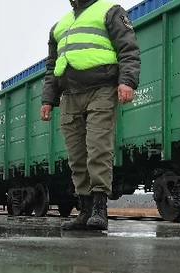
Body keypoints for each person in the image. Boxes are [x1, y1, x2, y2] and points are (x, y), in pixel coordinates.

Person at [41, 0, 141, 232]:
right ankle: (84, 210)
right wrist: (48, 99)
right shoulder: (59, 26)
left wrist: (127, 81)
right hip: (69, 95)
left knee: (98, 147)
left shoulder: (109, 11)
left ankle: (99, 209)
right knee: (76, 155)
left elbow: (128, 48)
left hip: (102, 89)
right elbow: (51, 66)